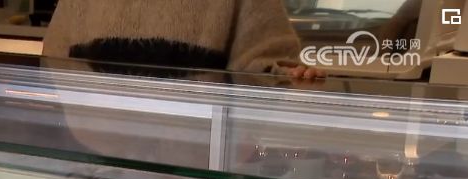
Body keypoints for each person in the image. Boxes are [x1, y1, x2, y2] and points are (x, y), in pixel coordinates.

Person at [43, 0, 324, 79]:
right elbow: (55, 59)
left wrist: (288, 76)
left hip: (205, 166)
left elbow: (265, 61)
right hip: (104, 159)